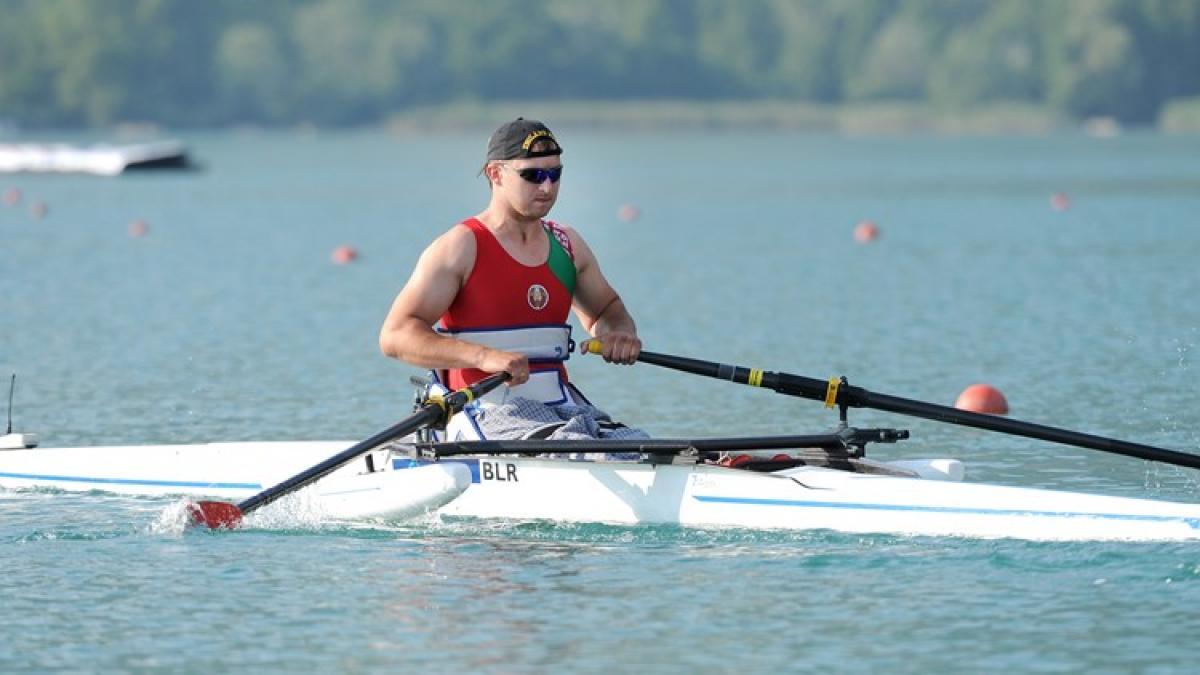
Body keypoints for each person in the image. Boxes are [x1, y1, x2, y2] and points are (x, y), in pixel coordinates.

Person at [379, 118, 646, 446]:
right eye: (533, 175)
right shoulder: (461, 247)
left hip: (563, 410)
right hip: (484, 411)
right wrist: (483, 358)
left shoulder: (567, 246)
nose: (547, 187)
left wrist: (619, 333)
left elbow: (607, 310)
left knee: (639, 444)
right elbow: (395, 336)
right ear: (496, 173)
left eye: (555, 174)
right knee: (583, 450)